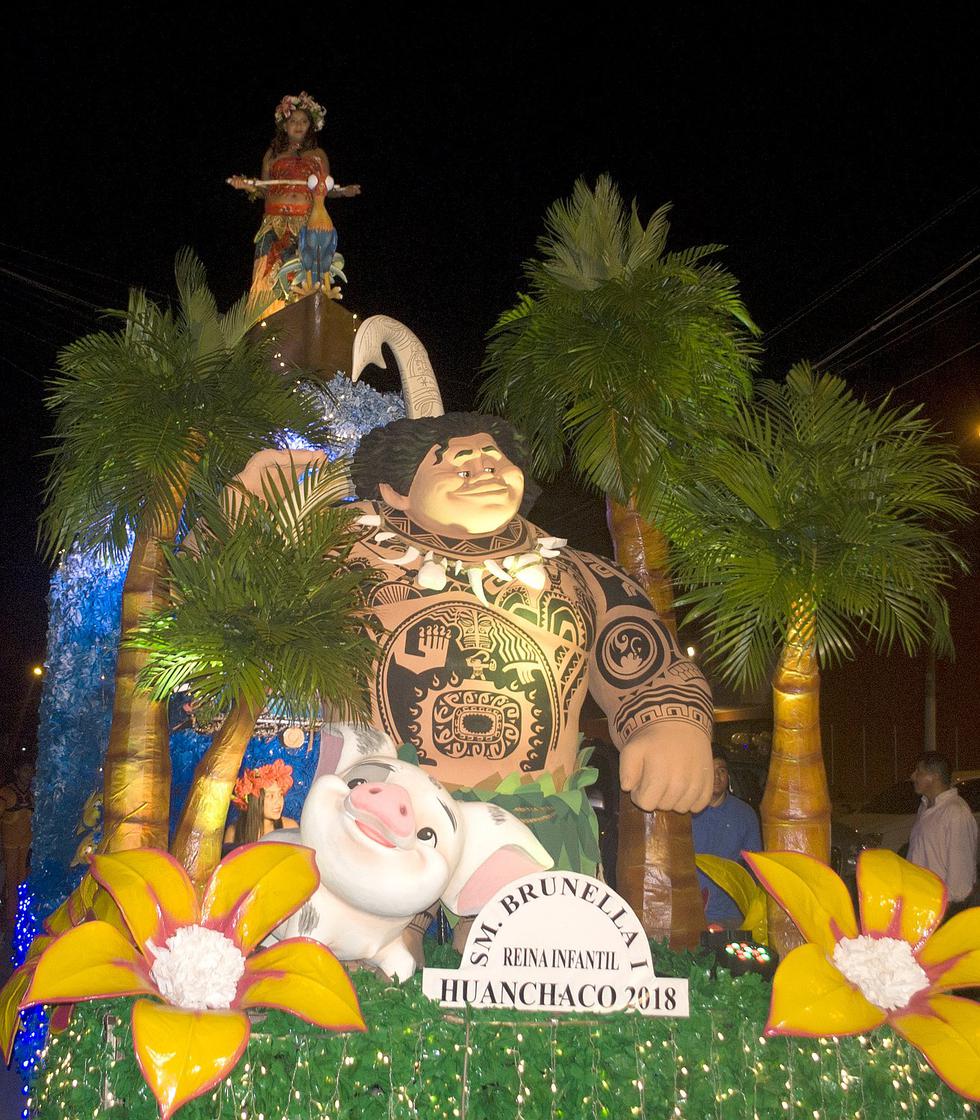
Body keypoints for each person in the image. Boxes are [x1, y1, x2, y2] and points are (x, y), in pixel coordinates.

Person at [228, 92, 360, 308]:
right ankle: (265, 321)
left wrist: (342, 192)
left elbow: (324, 189)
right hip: (274, 222)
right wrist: (247, 185)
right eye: (293, 121)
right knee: (267, 279)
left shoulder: (319, 154)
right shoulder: (272, 154)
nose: (298, 126)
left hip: (308, 224)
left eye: (304, 121)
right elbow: (263, 189)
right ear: (284, 125)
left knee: (304, 277)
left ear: (311, 125)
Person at [691, 747, 761, 928]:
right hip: (690, 911)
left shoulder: (744, 814)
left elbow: (755, 865)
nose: (716, 776)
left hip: (730, 915)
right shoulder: (685, 810)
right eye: (710, 771)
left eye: (721, 771)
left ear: (728, 776)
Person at [907, 752, 977, 915]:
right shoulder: (925, 807)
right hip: (922, 903)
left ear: (934, 776)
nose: (913, 776)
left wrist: (945, 912)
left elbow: (961, 874)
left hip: (943, 908)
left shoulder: (955, 813)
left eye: (919, 771)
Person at [224, 759, 298, 848]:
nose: (278, 801)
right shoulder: (234, 832)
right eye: (271, 796)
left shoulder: (290, 828)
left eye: (280, 794)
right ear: (255, 800)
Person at [0, 760, 34, 929]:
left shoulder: (32, 795)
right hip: (9, 848)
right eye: (25, 770)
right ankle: (9, 921)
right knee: (10, 885)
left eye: (30, 770)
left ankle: (20, 920)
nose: (28, 774)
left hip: (26, 848)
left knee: (24, 883)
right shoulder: (6, 793)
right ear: (16, 771)